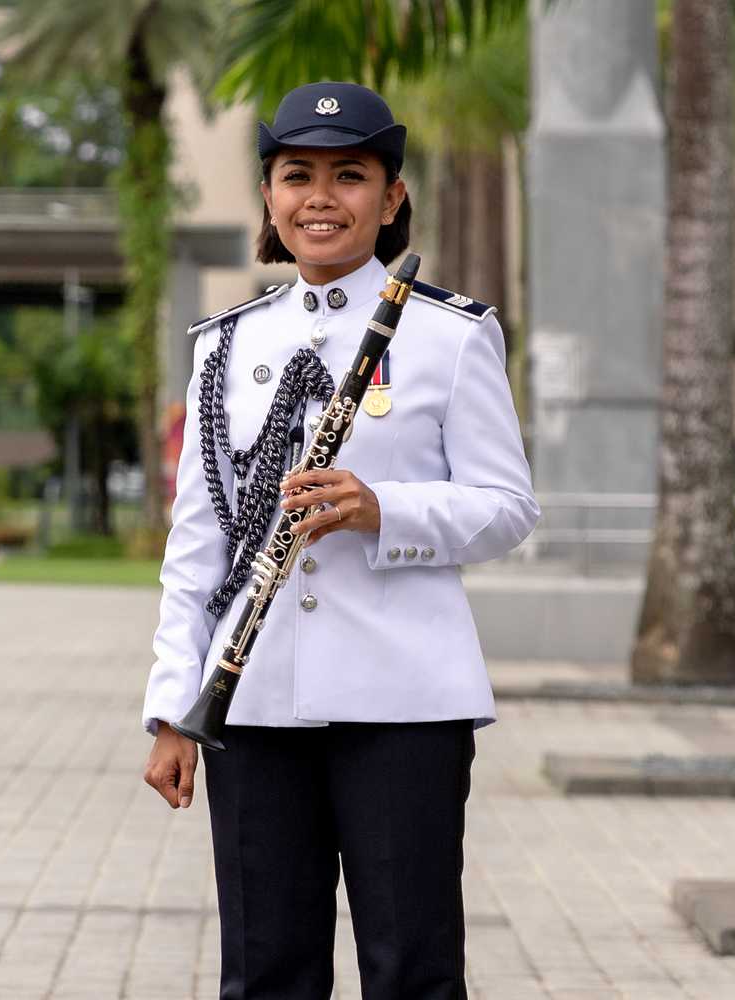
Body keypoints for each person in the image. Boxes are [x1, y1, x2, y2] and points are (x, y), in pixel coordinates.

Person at [141, 81, 538, 999]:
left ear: (391, 198)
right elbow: (196, 549)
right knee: (265, 972)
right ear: (270, 199)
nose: (321, 197)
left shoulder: (449, 335)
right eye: (297, 176)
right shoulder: (224, 347)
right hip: (251, 704)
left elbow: (507, 505)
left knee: (412, 971)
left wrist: (383, 509)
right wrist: (172, 708)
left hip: (404, 702)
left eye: (349, 175)